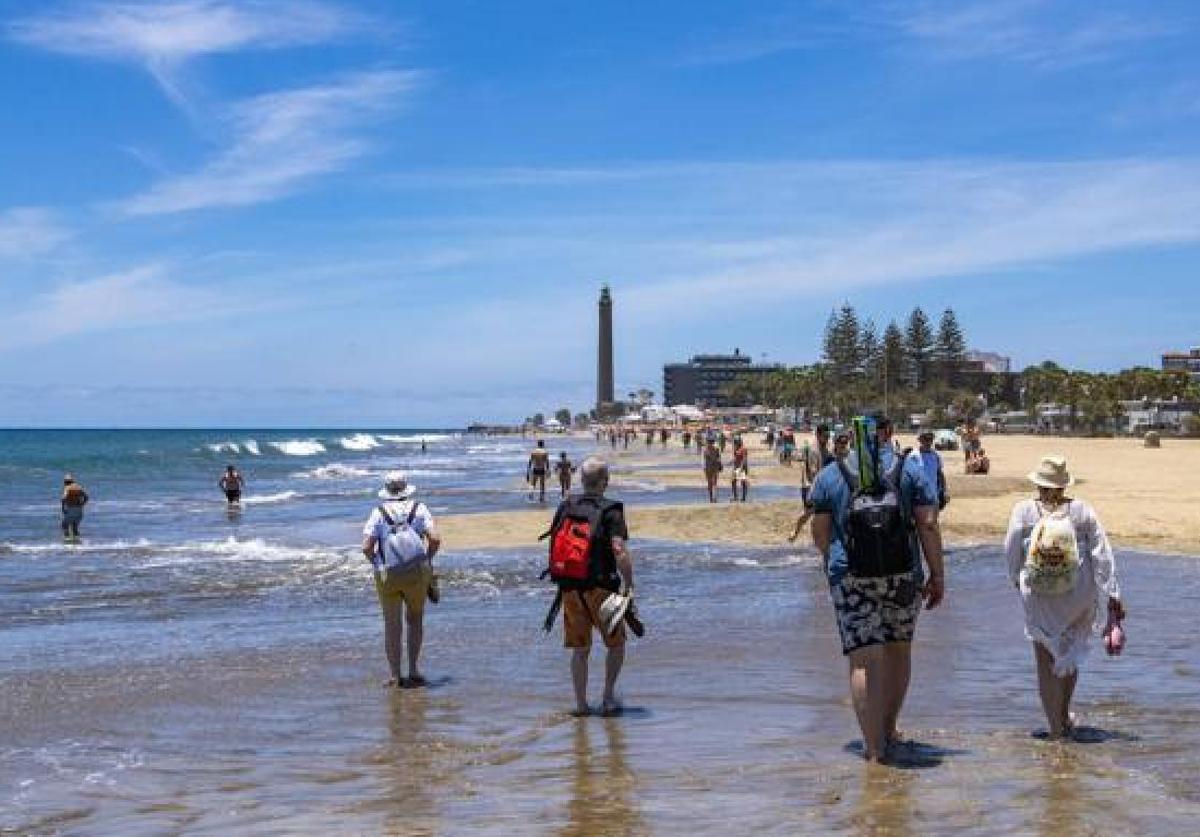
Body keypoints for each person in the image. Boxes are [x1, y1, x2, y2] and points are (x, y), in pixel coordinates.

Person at [809, 415, 945, 763]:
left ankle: (873, 749)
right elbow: (927, 523)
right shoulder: (910, 469)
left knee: (864, 659)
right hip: (903, 574)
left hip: (851, 575)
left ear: (852, 436)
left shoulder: (830, 473)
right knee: (899, 650)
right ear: (885, 435)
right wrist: (937, 574)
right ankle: (889, 729)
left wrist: (831, 564)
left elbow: (819, 530)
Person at [1003, 455, 1124, 740]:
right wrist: (1113, 593)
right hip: (1077, 594)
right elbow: (1101, 554)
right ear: (1063, 484)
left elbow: (1011, 551)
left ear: (1039, 484)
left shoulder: (1023, 511)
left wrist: (1016, 581)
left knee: (1045, 661)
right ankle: (1065, 715)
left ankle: (1056, 729)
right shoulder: (1081, 511)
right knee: (1070, 652)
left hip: (1040, 597)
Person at [544, 457, 635, 716]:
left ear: (581, 480)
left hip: (571, 588)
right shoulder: (611, 510)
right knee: (615, 645)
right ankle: (607, 696)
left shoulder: (567, 505)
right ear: (605, 482)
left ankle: (581, 705)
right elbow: (619, 549)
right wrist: (629, 582)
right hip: (603, 589)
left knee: (580, 650)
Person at [361, 472, 442, 688]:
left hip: (388, 576)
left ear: (386, 491)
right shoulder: (420, 509)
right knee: (415, 621)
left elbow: (366, 547)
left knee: (392, 625)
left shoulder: (378, 513)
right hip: (416, 573)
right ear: (406, 488)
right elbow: (435, 539)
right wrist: (428, 559)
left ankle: (395, 675)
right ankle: (414, 670)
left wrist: (378, 565)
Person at [912, 431, 948, 510]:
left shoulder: (936, 455)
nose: (928, 442)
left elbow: (940, 474)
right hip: (918, 494)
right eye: (926, 439)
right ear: (921, 440)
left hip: (933, 493)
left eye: (930, 439)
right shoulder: (914, 455)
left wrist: (944, 491)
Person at [60, 474, 89, 541]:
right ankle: (77, 541)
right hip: (79, 510)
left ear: (65, 482)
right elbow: (86, 497)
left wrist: (63, 508)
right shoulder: (79, 487)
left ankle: (67, 541)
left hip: (71, 509)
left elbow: (63, 498)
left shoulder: (67, 488)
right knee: (75, 527)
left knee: (65, 525)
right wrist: (82, 505)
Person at [702, 436, 723, 503]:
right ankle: (711, 497)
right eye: (709, 442)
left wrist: (720, 465)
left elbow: (719, 458)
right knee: (710, 483)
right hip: (708, 468)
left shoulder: (715, 449)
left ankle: (714, 497)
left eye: (711, 442)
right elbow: (704, 460)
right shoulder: (705, 450)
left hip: (714, 467)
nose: (710, 444)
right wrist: (704, 468)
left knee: (714, 482)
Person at [730, 436, 750, 502]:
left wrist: (741, 467)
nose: (734, 443)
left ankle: (743, 497)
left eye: (735, 442)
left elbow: (744, 459)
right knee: (733, 481)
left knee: (743, 482)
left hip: (742, 467)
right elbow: (735, 458)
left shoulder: (743, 449)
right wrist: (731, 462)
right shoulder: (735, 448)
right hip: (736, 467)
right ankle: (735, 496)